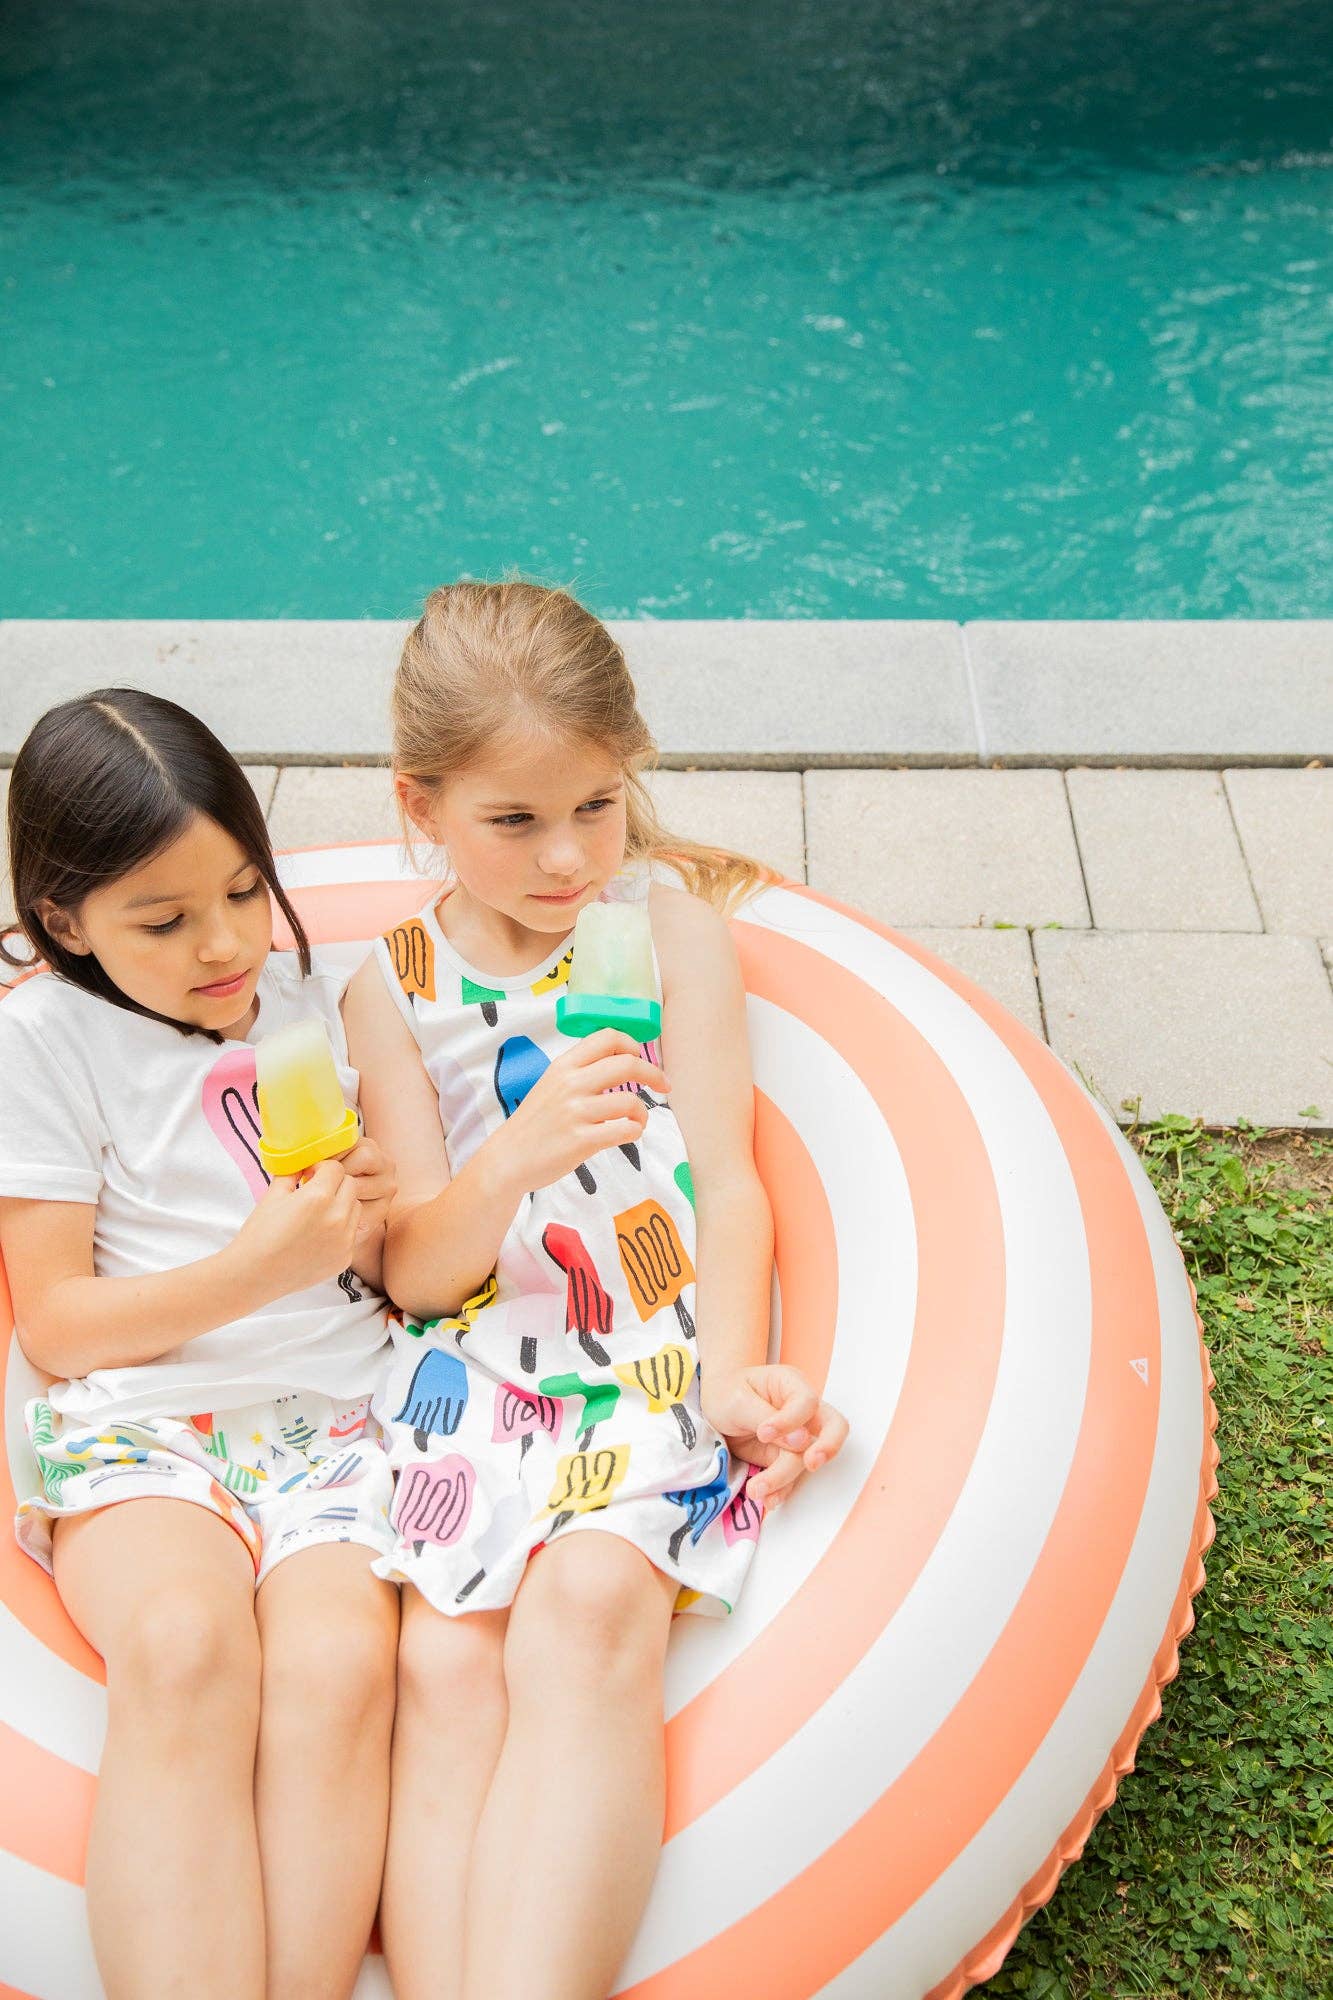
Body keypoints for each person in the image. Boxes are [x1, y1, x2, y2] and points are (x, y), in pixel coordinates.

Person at [343, 580, 850, 2000]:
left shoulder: (666, 928)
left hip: (643, 1341)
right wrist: (511, 1154)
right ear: (421, 807)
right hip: (475, 1357)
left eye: (594, 807)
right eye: (512, 820)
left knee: (584, 1612)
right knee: (441, 1676)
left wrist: (732, 1375)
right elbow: (416, 1270)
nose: (565, 856)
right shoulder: (390, 987)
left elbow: (731, 1184)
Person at [0, 690, 400, 2000]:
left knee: (340, 1669)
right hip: (147, 1411)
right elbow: (55, 1324)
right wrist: (255, 1268)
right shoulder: (42, 1041)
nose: (224, 944)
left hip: (331, 1404)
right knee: (185, 1646)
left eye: (241, 891)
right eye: (164, 923)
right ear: (66, 922)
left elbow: (377, 1247)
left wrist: (373, 1222)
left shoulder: (305, 1009)